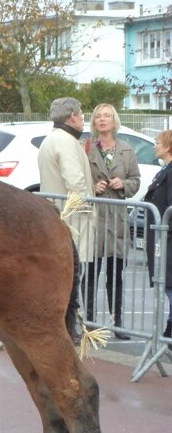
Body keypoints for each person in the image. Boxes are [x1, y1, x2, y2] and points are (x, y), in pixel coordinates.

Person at [37, 97, 96, 336]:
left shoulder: (51, 140)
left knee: (63, 279)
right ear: (72, 116)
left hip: (58, 217)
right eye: (81, 115)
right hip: (71, 221)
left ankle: (63, 330)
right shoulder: (66, 141)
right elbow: (75, 181)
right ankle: (67, 332)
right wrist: (85, 208)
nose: (83, 119)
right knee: (70, 280)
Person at [85, 103, 141, 339]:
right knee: (89, 274)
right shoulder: (85, 148)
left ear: (114, 121)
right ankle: (88, 322)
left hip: (116, 220)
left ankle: (117, 322)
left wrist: (124, 185)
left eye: (107, 116)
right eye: (98, 116)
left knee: (115, 274)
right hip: (94, 218)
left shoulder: (126, 149)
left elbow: (136, 180)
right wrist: (92, 187)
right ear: (94, 122)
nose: (103, 119)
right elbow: (77, 179)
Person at [144, 129, 172, 339]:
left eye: (157, 142)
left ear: (168, 146)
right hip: (163, 238)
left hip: (168, 239)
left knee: (170, 285)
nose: (155, 145)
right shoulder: (165, 170)